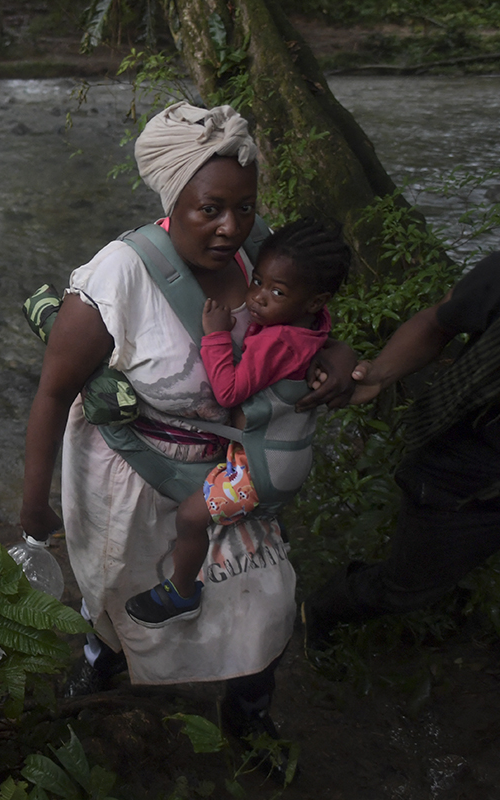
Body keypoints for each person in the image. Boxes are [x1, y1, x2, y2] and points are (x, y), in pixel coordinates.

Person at [18, 102, 356, 767]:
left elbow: (308, 326)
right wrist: (33, 507)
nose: (233, 228)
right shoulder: (115, 280)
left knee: (266, 601)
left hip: (232, 468)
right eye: (212, 210)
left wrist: (339, 356)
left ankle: (248, 711)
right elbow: (53, 392)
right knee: (121, 593)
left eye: (246, 208)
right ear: (174, 198)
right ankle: (102, 661)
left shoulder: (266, 259)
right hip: (135, 472)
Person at [124, 218, 350, 627]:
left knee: (191, 517)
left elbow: (228, 392)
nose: (259, 298)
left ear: (315, 300)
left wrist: (216, 336)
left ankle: (181, 593)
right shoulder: (310, 326)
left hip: (261, 470)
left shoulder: (275, 341)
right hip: (280, 454)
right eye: (258, 281)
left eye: (276, 292)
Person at [301, 250, 500, 655]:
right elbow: (438, 321)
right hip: (468, 477)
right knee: (406, 587)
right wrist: (379, 374)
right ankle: (321, 612)